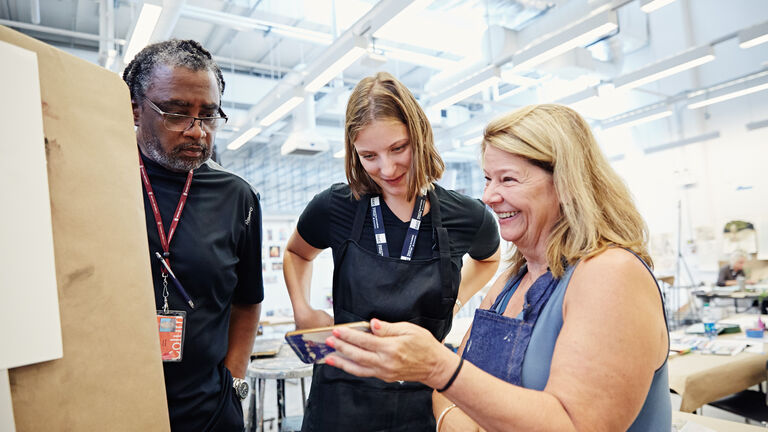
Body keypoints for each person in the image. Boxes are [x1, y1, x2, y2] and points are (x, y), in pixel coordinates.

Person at [324, 104, 672, 431]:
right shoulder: (510, 282)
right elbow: (453, 390)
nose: (489, 196)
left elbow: (577, 425)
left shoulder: (609, 274)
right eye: (488, 179)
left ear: (567, 183)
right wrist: (451, 417)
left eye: (507, 180)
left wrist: (436, 366)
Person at [283, 71, 501, 431]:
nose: (386, 168)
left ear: (419, 134)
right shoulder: (337, 206)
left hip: (424, 394)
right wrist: (303, 310)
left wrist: (457, 300)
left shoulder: (467, 216)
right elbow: (297, 253)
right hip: (342, 396)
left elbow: (489, 259)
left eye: (398, 148)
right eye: (369, 155)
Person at [123, 39, 263, 431]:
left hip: (210, 412)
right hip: (114, 405)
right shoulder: (99, 180)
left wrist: (234, 381)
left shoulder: (237, 196)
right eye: (176, 113)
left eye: (209, 115)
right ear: (134, 109)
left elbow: (248, 301)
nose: (196, 131)